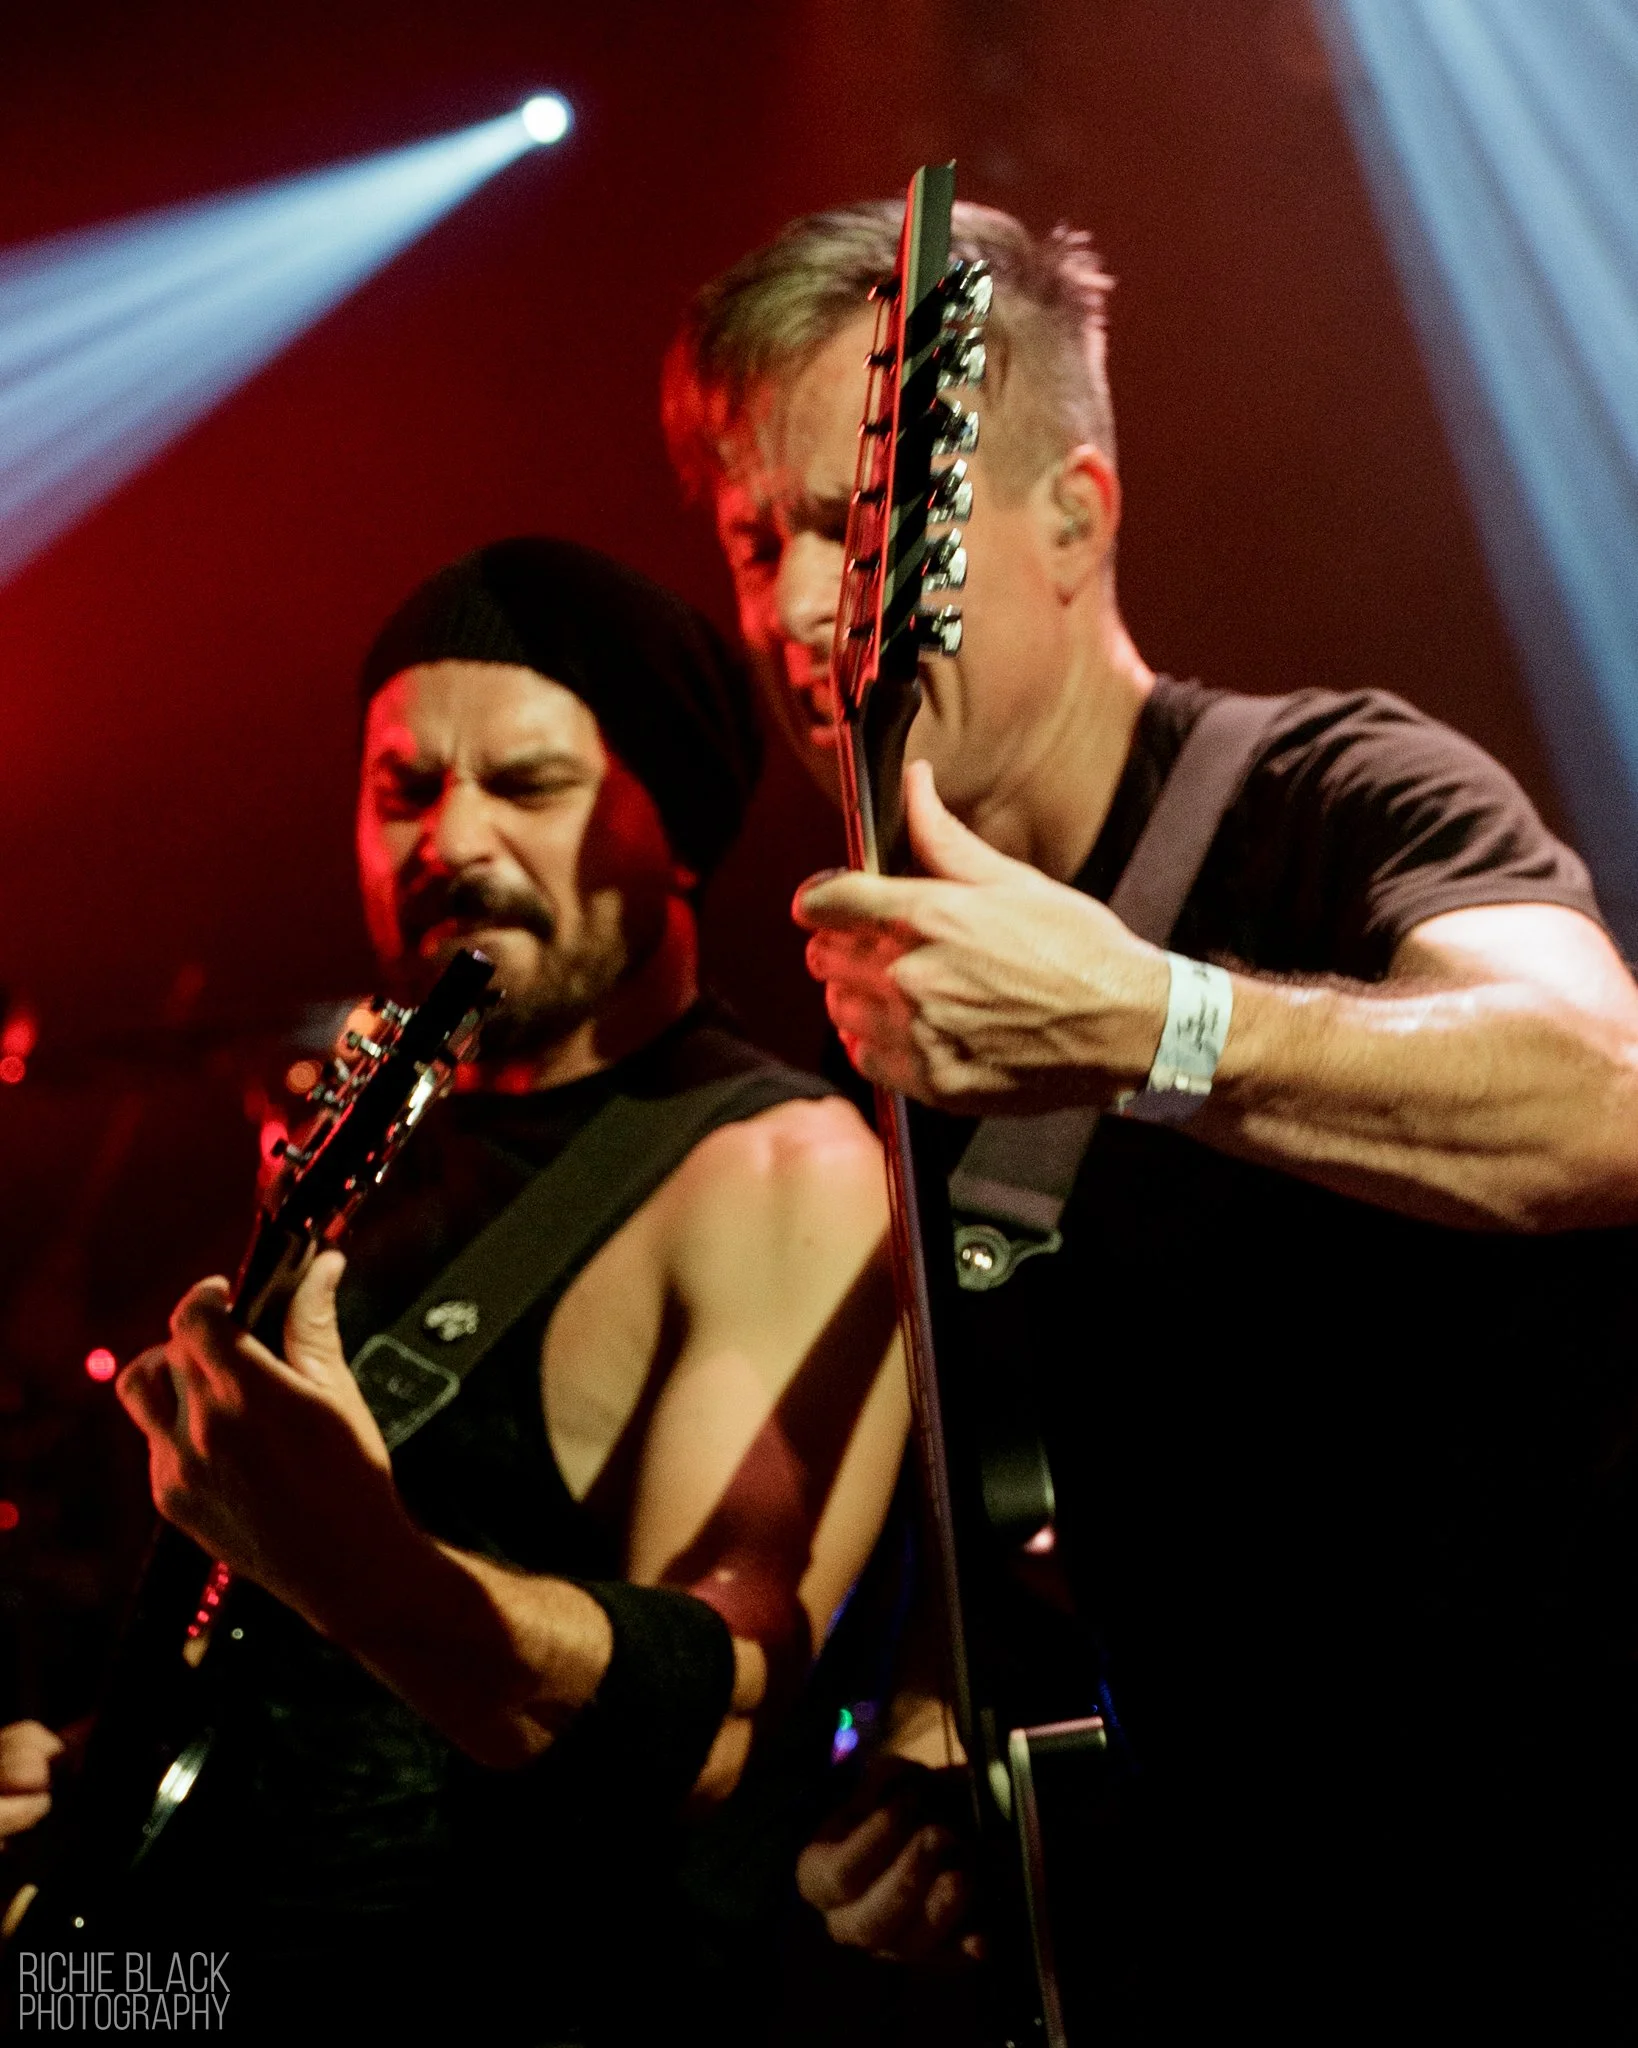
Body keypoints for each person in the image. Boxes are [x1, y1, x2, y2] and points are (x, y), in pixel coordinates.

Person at [663, 202, 1638, 2029]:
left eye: (855, 531)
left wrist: (1150, 1024)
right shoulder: (885, 1001)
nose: (794, 612)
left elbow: (1606, 1102)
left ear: (1074, 519)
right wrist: (949, 1751)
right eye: (751, 542)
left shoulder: (1337, 788)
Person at [0, 538, 908, 2044]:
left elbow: (718, 1732)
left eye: (529, 785)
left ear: (673, 828)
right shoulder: (376, 1147)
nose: (452, 839)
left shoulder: (776, 1169)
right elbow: (305, 1692)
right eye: (404, 790)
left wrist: (364, 1565)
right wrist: (97, 1772)